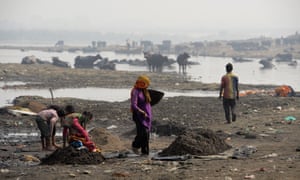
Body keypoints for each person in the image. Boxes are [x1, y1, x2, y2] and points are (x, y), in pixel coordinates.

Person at [130, 75, 152, 155]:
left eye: (143, 83)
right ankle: (135, 146)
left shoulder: (145, 91)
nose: (140, 84)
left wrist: (147, 113)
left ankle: (145, 152)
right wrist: (141, 111)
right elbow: (134, 104)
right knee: (142, 133)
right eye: (139, 83)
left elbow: (148, 103)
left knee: (147, 135)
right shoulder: (135, 91)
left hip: (147, 115)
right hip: (138, 115)